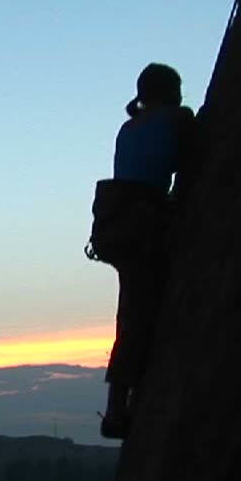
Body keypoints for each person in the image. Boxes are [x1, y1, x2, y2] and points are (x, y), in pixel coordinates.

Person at [87, 63, 197, 439]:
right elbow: (190, 160)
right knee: (137, 315)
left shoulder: (129, 127)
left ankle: (119, 405)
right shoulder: (177, 119)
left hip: (118, 223)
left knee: (132, 312)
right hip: (142, 224)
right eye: (178, 88)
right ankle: (117, 410)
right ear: (168, 92)